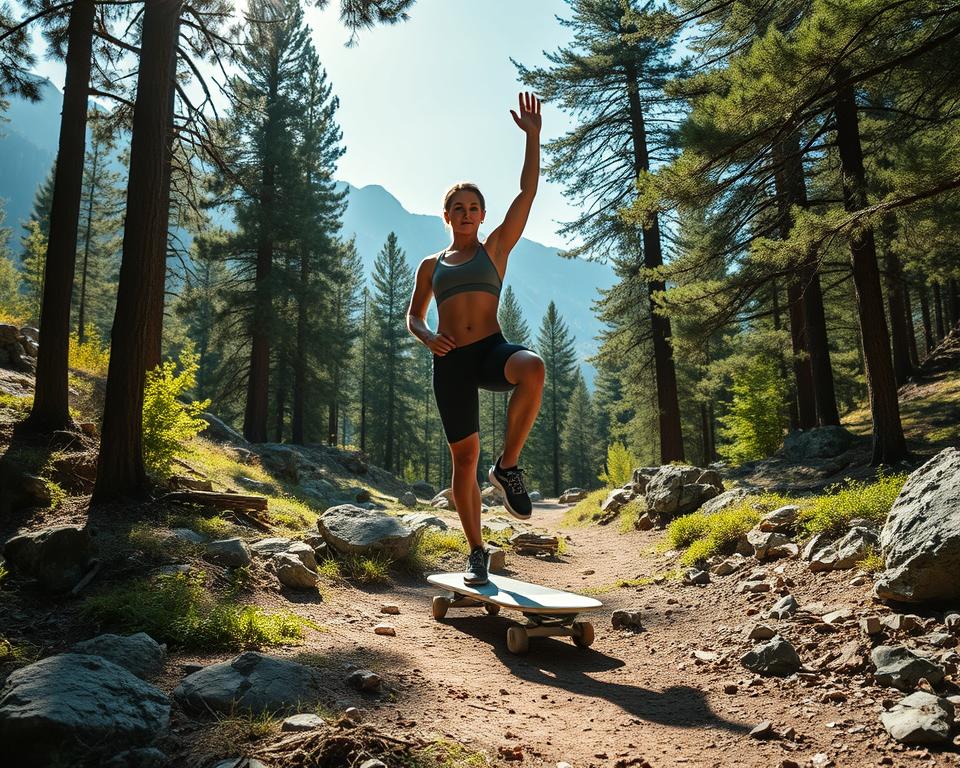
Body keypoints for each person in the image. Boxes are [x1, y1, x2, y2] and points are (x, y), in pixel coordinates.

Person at [406, 92, 545, 586]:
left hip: (490, 351)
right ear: (447, 217)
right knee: (462, 458)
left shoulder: (495, 250)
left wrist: (533, 138)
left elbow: (526, 194)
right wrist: (426, 337)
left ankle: (508, 467)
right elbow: (413, 316)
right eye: (457, 208)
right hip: (451, 364)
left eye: (473, 208)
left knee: (533, 367)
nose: (466, 214)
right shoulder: (431, 265)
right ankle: (476, 550)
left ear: (483, 216)